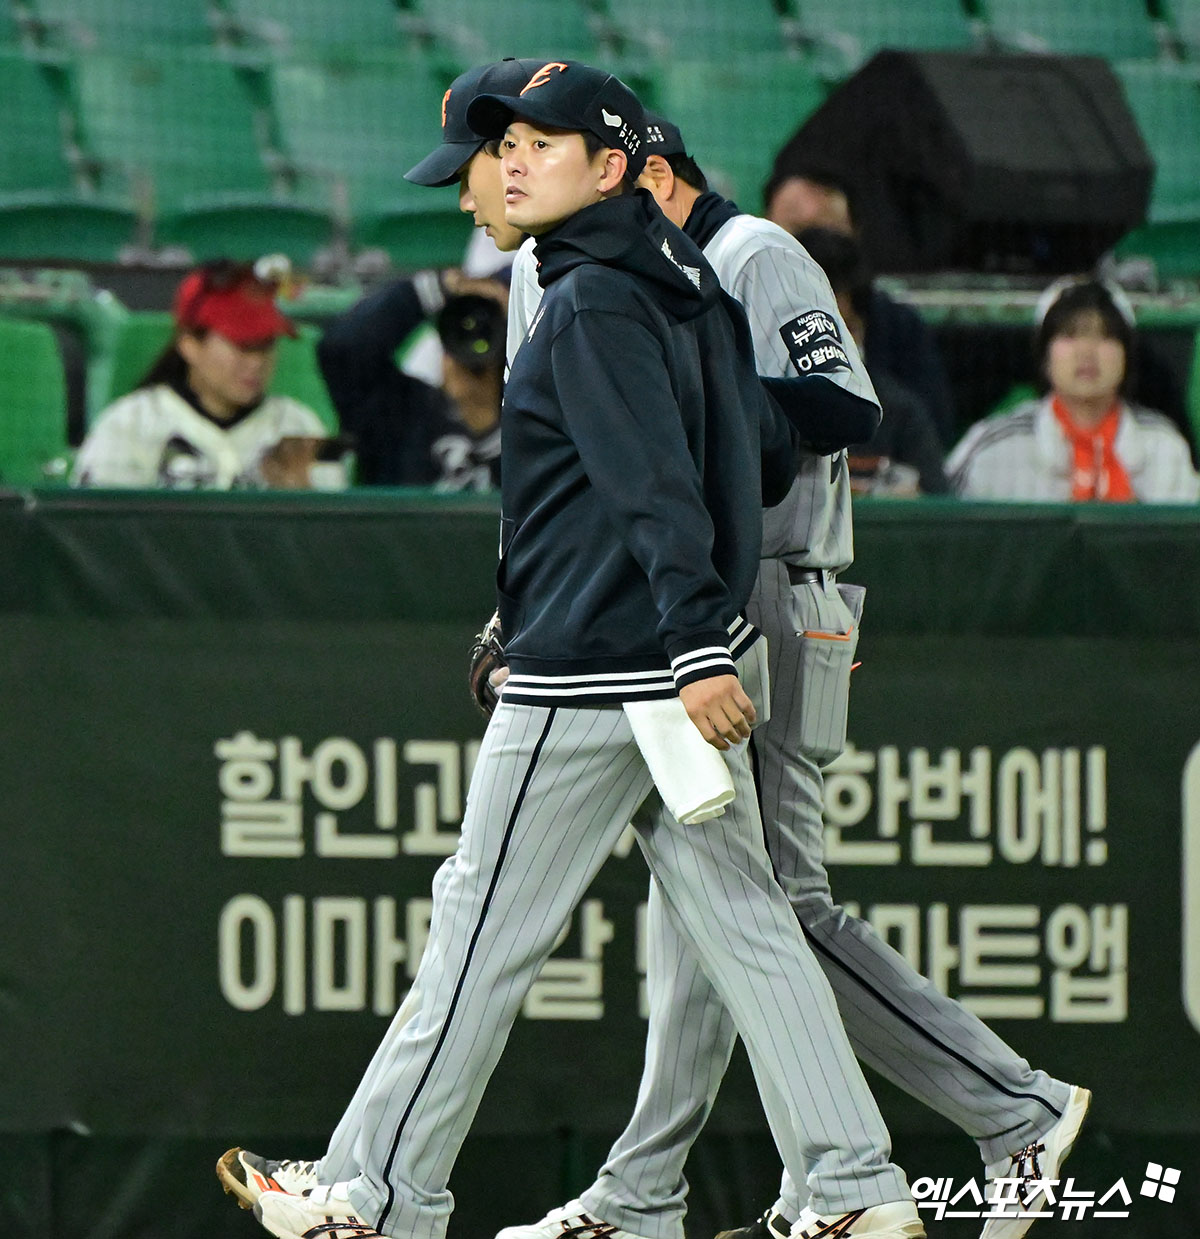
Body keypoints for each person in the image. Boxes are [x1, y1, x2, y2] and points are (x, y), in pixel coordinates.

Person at [224, 60, 926, 1239]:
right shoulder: (680, 272)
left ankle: (376, 1194)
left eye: (538, 147)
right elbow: (756, 454)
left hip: (598, 669)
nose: (507, 167)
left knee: (477, 934)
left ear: (611, 167)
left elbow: (653, 484)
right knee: (751, 929)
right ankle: (856, 1189)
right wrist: (702, 636)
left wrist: (686, 639)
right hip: (678, 663)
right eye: (504, 147)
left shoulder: (590, 294)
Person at [493, 117, 1087, 1239]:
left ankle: (1012, 1108)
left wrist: (696, 390)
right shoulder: (572, 269)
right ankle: (647, 1190)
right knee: (707, 914)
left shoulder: (752, 252)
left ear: (652, 176)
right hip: (662, 601)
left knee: (770, 912)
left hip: (767, 586)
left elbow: (846, 405)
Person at [72, 260, 330, 490]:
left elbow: (331, 524)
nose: (256, 362)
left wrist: (302, 494)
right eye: (242, 346)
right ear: (189, 345)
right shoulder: (131, 425)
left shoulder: (297, 427)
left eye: (265, 345)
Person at [947, 278, 1200, 503]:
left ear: (1127, 356)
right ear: (1044, 356)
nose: (1086, 351)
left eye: (1105, 336)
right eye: (1070, 335)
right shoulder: (995, 447)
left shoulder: (1163, 447)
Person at [763, 168, 959, 449]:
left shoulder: (899, 330)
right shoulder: (732, 313)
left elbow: (932, 440)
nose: (811, 251)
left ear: (855, 233)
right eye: (796, 232)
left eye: (827, 233)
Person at [795, 226, 949, 495]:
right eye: (811, 331)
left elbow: (937, 506)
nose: (827, 347)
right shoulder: (747, 411)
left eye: (843, 330)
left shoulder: (899, 415)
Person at [317, 271, 507, 489]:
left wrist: (488, 430)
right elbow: (342, 351)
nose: (477, 333)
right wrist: (435, 288)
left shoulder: (531, 412)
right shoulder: (402, 410)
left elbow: (531, 495)